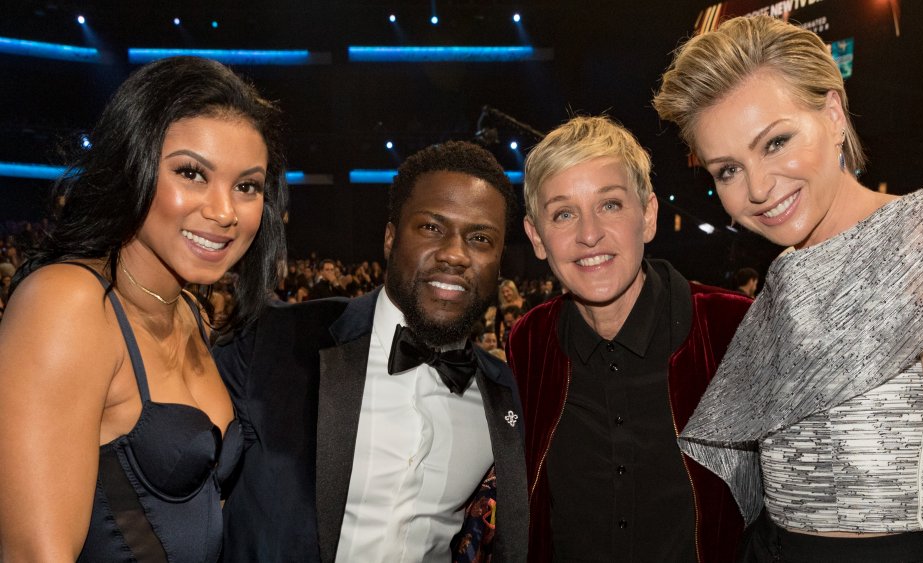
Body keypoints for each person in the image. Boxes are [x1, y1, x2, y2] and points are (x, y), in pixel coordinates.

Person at [654, 14, 923, 562]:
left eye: (775, 142)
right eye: (727, 171)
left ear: (834, 114)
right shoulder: (782, 283)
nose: (759, 189)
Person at [0, 56, 287, 561]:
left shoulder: (190, 313)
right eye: (192, 173)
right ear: (131, 164)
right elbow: (32, 554)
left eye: (247, 186)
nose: (224, 211)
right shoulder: (67, 302)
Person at [215, 140, 528, 562]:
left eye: (480, 238)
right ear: (390, 238)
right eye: (432, 228)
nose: (455, 254)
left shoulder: (505, 393)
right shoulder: (276, 340)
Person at [506, 115, 753, 562]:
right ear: (536, 238)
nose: (588, 234)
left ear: (649, 215)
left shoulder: (730, 327)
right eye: (563, 213)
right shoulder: (528, 344)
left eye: (610, 205)